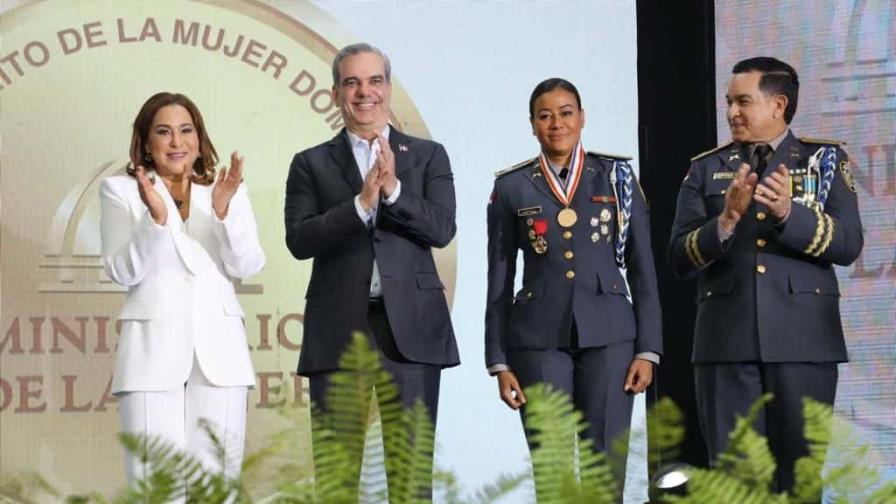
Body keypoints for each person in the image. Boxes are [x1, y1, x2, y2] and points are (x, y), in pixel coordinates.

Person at [667, 56, 863, 491]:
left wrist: (789, 214)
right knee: (737, 483)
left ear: (778, 104)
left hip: (804, 342)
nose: (732, 112)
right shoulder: (705, 168)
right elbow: (678, 258)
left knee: (800, 479)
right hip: (725, 344)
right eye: (728, 102)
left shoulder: (824, 160)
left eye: (743, 102)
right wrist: (726, 222)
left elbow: (849, 244)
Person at [284, 43, 459, 496]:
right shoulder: (310, 163)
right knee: (337, 479)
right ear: (336, 93)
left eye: (374, 80)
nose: (365, 92)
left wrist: (395, 190)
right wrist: (361, 205)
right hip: (338, 331)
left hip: (412, 331)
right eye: (352, 82)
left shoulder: (427, 156)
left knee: (411, 480)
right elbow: (299, 240)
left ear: (389, 87)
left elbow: (442, 229)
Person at [485, 78, 662, 488]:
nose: (556, 123)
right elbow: (499, 278)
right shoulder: (511, 186)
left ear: (582, 118)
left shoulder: (615, 177)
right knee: (553, 474)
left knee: (605, 474)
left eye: (566, 113)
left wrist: (648, 350)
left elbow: (643, 269)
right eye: (545, 116)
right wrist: (499, 361)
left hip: (611, 337)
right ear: (532, 124)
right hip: (537, 339)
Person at [100, 92, 265, 496]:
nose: (177, 142)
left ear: (199, 138)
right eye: (164, 132)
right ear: (145, 142)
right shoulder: (120, 190)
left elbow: (247, 266)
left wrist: (224, 213)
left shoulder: (226, 190)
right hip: (150, 354)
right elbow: (122, 271)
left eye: (186, 130)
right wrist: (155, 222)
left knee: (217, 488)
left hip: (220, 358)